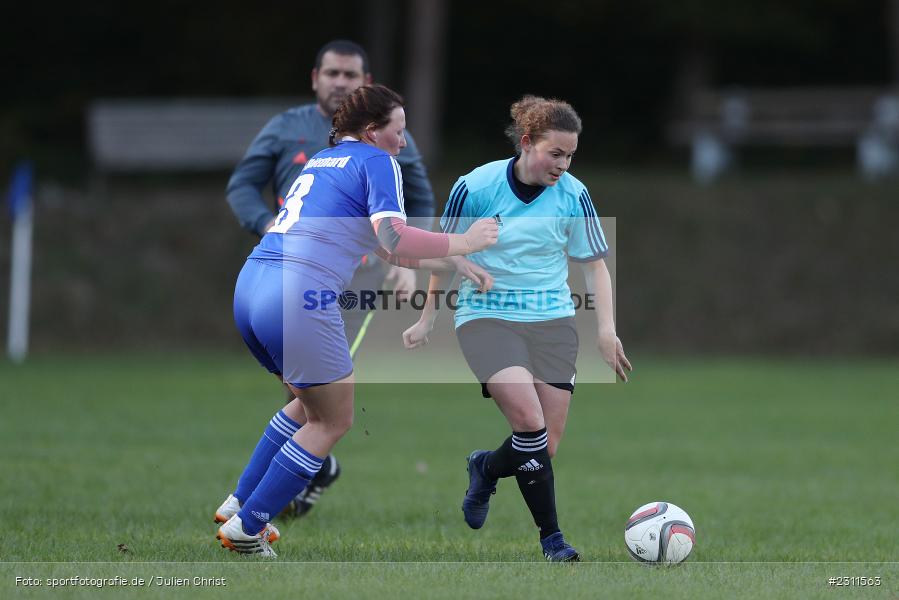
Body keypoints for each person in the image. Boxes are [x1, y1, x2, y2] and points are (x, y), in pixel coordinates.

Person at [215, 84, 498, 556]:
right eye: (398, 131)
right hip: (299, 295)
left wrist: (449, 262)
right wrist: (463, 242)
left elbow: (383, 248)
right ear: (372, 132)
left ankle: (239, 503)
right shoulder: (377, 162)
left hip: (253, 285)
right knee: (334, 421)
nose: (403, 143)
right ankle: (248, 528)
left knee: (309, 407)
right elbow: (396, 234)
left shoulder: (325, 163)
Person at [403, 95, 632, 562]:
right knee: (528, 423)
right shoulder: (478, 185)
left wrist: (606, 330)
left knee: (543, 446)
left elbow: (595, 267)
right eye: (555, 153)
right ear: (527, 142)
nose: (563, 165)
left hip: (553, 320)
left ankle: (484, 467)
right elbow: (445, 251)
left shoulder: (574, 195)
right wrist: (428, 317)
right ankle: (553, 541)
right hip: (486, 318)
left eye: (570, 156)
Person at [225, 39, 435, 517]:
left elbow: (416, 199)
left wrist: (405, 265)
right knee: (323, 409)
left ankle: (256, 498)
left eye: (351, 75)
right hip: (297, 278)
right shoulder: (294, 129)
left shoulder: (380, 136)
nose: (341, 82)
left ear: (365, 83)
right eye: (333, 73)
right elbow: (242, 186)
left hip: (336, 277)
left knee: (311, 398)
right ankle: (258, 511)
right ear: (315, 76)